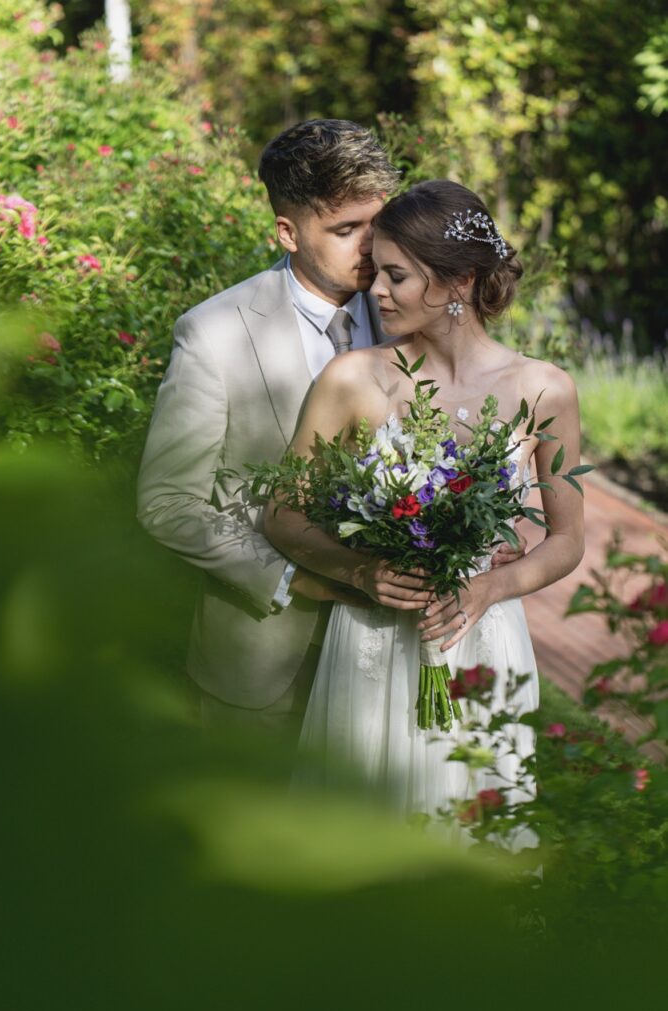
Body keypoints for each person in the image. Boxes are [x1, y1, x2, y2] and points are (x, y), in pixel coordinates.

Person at [137, 120, 523, 746]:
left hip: (399, 655)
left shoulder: (419, 308)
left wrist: (496, 533)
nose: (372, 249)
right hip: (264, 661)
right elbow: (168, 504)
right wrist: (300, 577)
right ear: (288, 232)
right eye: (346, 231)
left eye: (377, 224)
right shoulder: (213, 334)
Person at [263, 178, 585, 815]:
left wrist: (492, 586)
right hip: (373, 636)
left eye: (396, 275)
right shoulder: (353, 378)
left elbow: (569, 539)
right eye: (376, 272)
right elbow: (281, 513)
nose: (374, 290)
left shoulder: (544, 389)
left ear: (459, 281)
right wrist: (363, 570)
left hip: (485, 640)